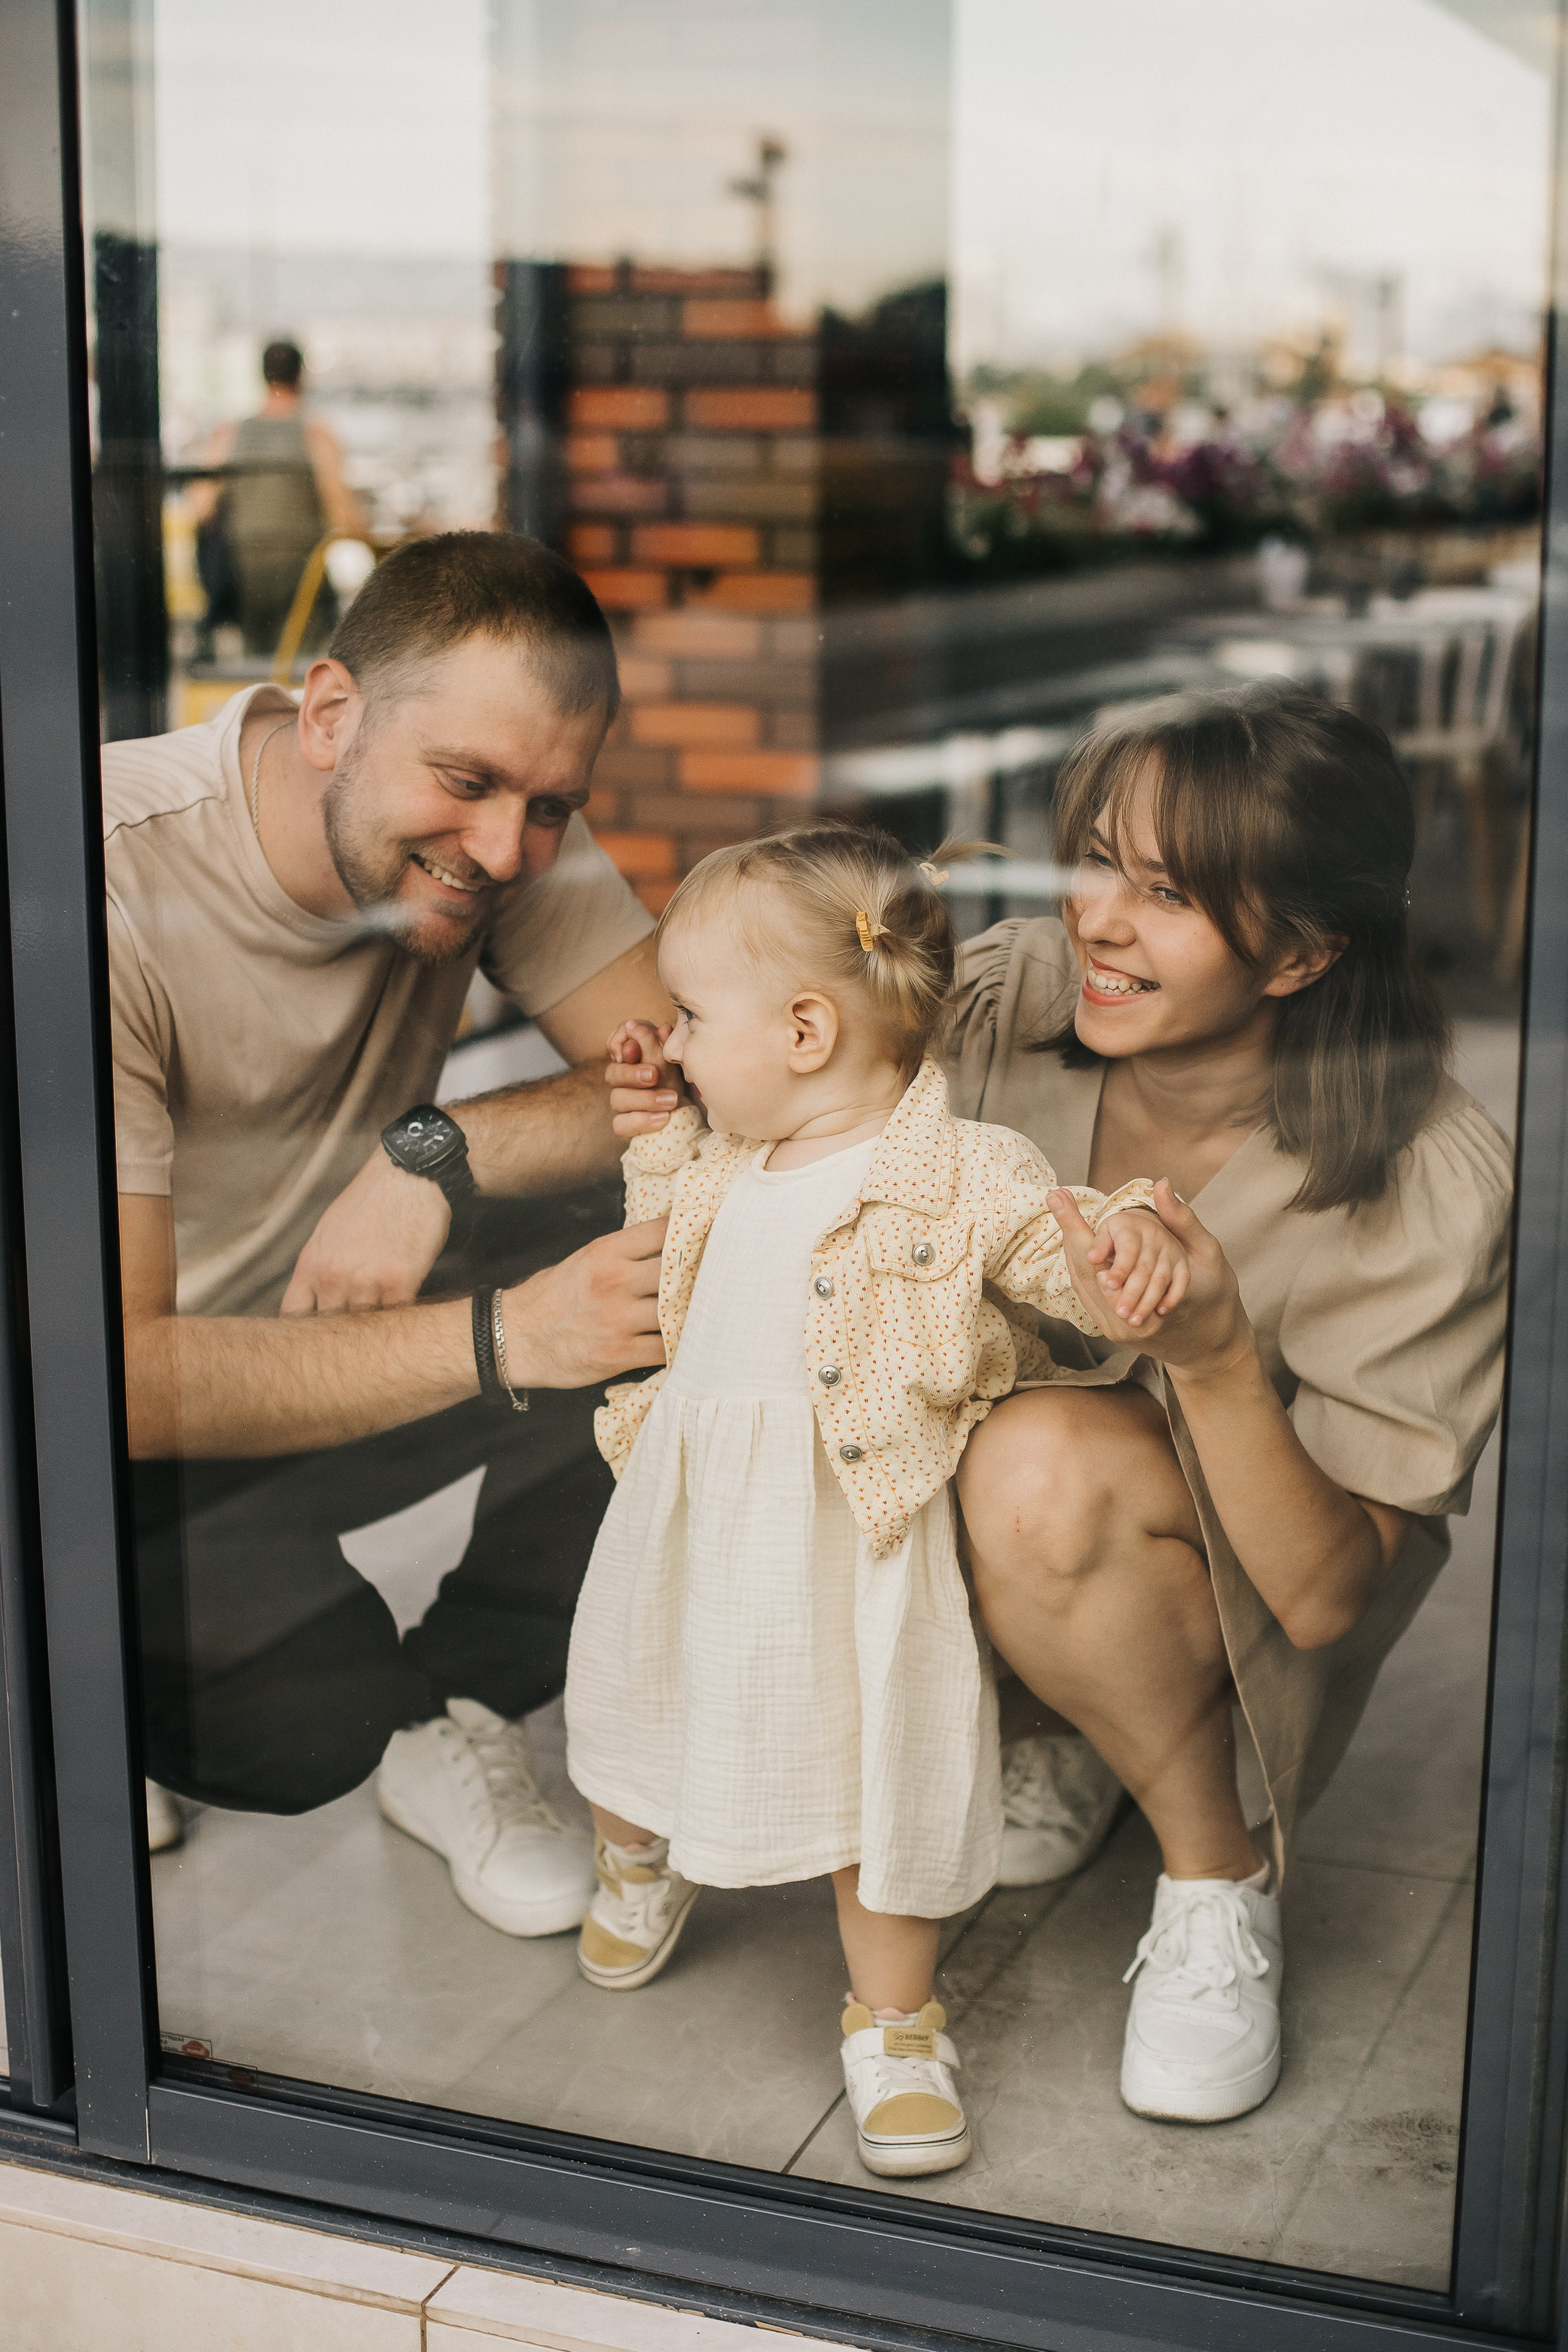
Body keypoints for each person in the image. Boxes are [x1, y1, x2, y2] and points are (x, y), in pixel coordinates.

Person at [560, 826, 1183, 2180]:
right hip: (688, 1510)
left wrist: (1119, 1247)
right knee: (636, 1692)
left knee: (872, 1789)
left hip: (854, 1538)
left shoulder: (965, 1170)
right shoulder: (726, 1152)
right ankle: (635, 1859)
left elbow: (1054, 1254)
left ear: (800, 1028)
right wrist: (658, 1128)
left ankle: (893, 2024)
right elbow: (663, 1219)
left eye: (688, 1017)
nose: (669, 1039)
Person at [944, 684, 1511, 2125]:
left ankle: (1212, 1872)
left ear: (1300, 951)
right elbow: (762, 1040)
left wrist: (1209, 1358)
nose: (1098, 920)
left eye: (1167, 891)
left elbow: (1330, 1596)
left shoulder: (1419, 1169)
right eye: (1092, 860)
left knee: (1039, 1466)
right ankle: (1066, 1719)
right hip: (997, 1545)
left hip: (1249, 1580)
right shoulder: (1006, 997)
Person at [113, 529, 677, 1939]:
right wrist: (504, 1337)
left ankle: (454, 1705)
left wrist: (441, 1146)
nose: (503, 849)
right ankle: (66, 1689)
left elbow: (696, 1067)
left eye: (552, 806)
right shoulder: (98, 884)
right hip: (102, 1426)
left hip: (324, 1324)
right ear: (328, 715)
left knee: (689, 1236)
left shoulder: (503, 825)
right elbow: (107, 1376)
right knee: (300, 1725)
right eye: (467, 783)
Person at [187, 339, 368, 660]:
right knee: (306, 662)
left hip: (247, 566)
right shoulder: (316, 434)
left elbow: (201, 507)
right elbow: (344, 515)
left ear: (262, 376)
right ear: (301, 377)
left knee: (256, 661)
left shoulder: (230, 433)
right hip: (303, 566)